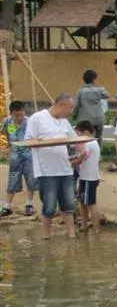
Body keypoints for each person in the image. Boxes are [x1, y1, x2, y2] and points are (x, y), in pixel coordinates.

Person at [24, 93, 81, 239]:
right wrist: (40, 141)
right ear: (61, 105)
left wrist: (84, 150)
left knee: (68, 204)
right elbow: (28, 142)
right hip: (46, 170)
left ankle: (72, 234)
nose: (70, 110)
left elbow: (75, 141)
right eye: (70, 107)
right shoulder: (37, 118)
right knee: (49, 205)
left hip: (65, 169)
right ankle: (46, 235)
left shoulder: (64, 122)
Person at [1, 101, 36, 217]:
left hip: (28, 156)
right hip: (15, 156)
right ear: (11, 114)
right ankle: (7, 205)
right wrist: (11, 148)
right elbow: (7, 134)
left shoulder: (29, 122)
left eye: (21, 114)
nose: (19, 117)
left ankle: (29, 204)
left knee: (30, 180)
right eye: (17, 115)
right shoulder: (7, 122)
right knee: (13, 179)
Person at [74, 121, 101, 234]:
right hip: (86, 177)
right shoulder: (91, 143)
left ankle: (96, 229)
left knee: (90, 204)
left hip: (90, 178)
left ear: (85, 132)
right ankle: (84, 225)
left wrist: (68, 163)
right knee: (82, 202)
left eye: (78, 134)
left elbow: (81, 159)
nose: (77, 137)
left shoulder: (90, 144)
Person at [72, 69, 108, 140]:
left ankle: (87, 151)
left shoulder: (80, 91)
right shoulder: (99, 90)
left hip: (85, 120)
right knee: (98, 138)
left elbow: (76, 105)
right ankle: (97, 150)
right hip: (98, 119)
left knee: (84, 139)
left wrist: (74, 115)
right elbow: (107, 95)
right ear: (94, 79)